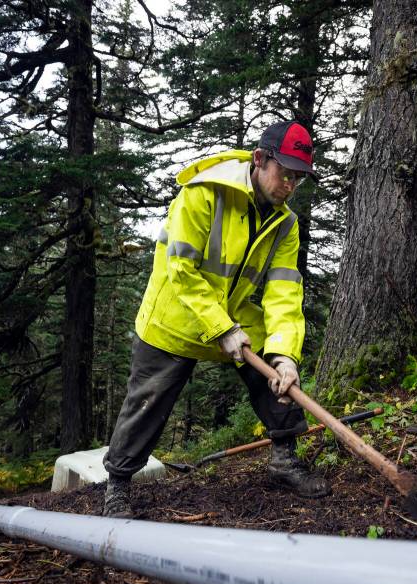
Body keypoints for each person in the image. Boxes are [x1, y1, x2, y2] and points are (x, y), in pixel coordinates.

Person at [101, 121, 331, 518]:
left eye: (299, 178)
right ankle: (118, 486)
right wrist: (221, 328)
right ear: (260, 160)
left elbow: (284, 293)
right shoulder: (203, 193)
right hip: (174, 316)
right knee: (148, 401)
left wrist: (285, 356)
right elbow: (181, 270)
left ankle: (284, 459)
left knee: (277, 379)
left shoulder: (286, 223)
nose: (290, 185)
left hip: (232, 317)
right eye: (285, 173)